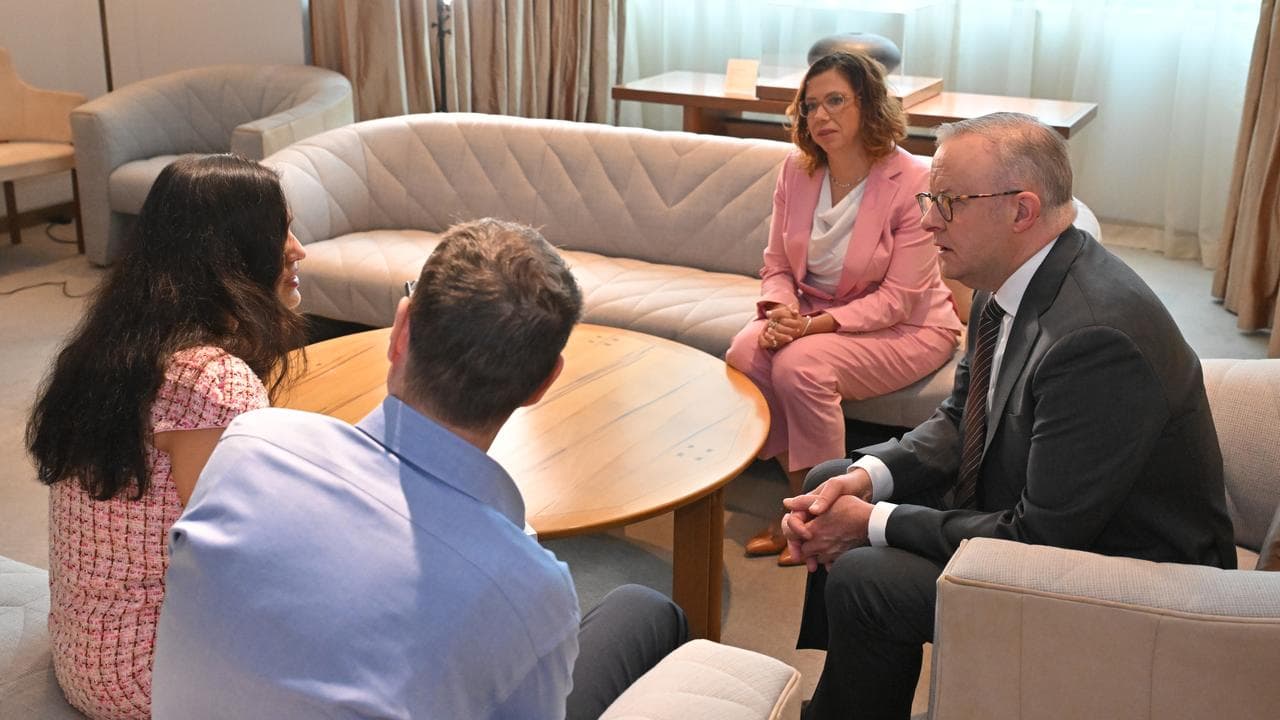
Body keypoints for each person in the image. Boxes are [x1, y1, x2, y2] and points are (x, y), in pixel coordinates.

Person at [782, 112, 1237, 720]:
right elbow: (957, 417)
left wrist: (873, 522)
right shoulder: (1008, 280)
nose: (925, 220)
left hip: (1126, 577)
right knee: (830, 484)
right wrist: (870, 480)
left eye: (946, 202)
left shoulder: (1095, 339)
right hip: (1047, 507)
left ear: (1021, 210)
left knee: (868, 575)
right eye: (927, 198)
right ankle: (853, 689)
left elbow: (1039, 539)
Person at [150, 218, 688, 720]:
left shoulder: (248, 444)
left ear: (400, 328)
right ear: (543, 383)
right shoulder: (530, 590)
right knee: (646, 610)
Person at [25, 154, 308, 720]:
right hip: (149, 675)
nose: (299, 249)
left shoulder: (111, 349)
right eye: (280, 231)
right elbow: (240, 562)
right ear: (231, 252)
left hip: (91, 651)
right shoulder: (212, 381)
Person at [726, 51, 962, 565]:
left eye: (835, 101)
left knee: (799, 365)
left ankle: (820, 515)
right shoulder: (797, 170)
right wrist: (782, 314)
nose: (820, 116)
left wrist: (808, 328)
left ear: (869, 105)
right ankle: (801, 504)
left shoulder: (915, 181)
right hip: (814, 312)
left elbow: (901, 298)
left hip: (911, 326)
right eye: (810, 106)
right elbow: (776, 266)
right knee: (746, 352)